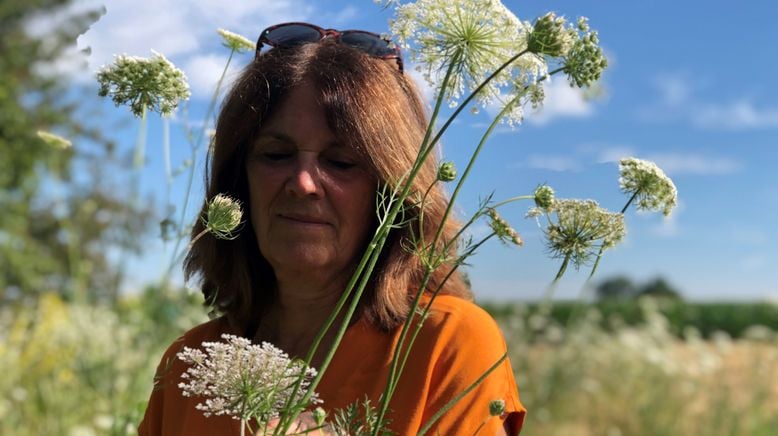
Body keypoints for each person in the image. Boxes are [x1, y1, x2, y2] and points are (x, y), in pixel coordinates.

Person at [139, 22, 526, 435]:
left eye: (341, 162)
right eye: (276, 155)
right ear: (238, 182)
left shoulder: (445, 342)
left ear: (392, 192)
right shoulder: (191, 363)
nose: (303, 183)